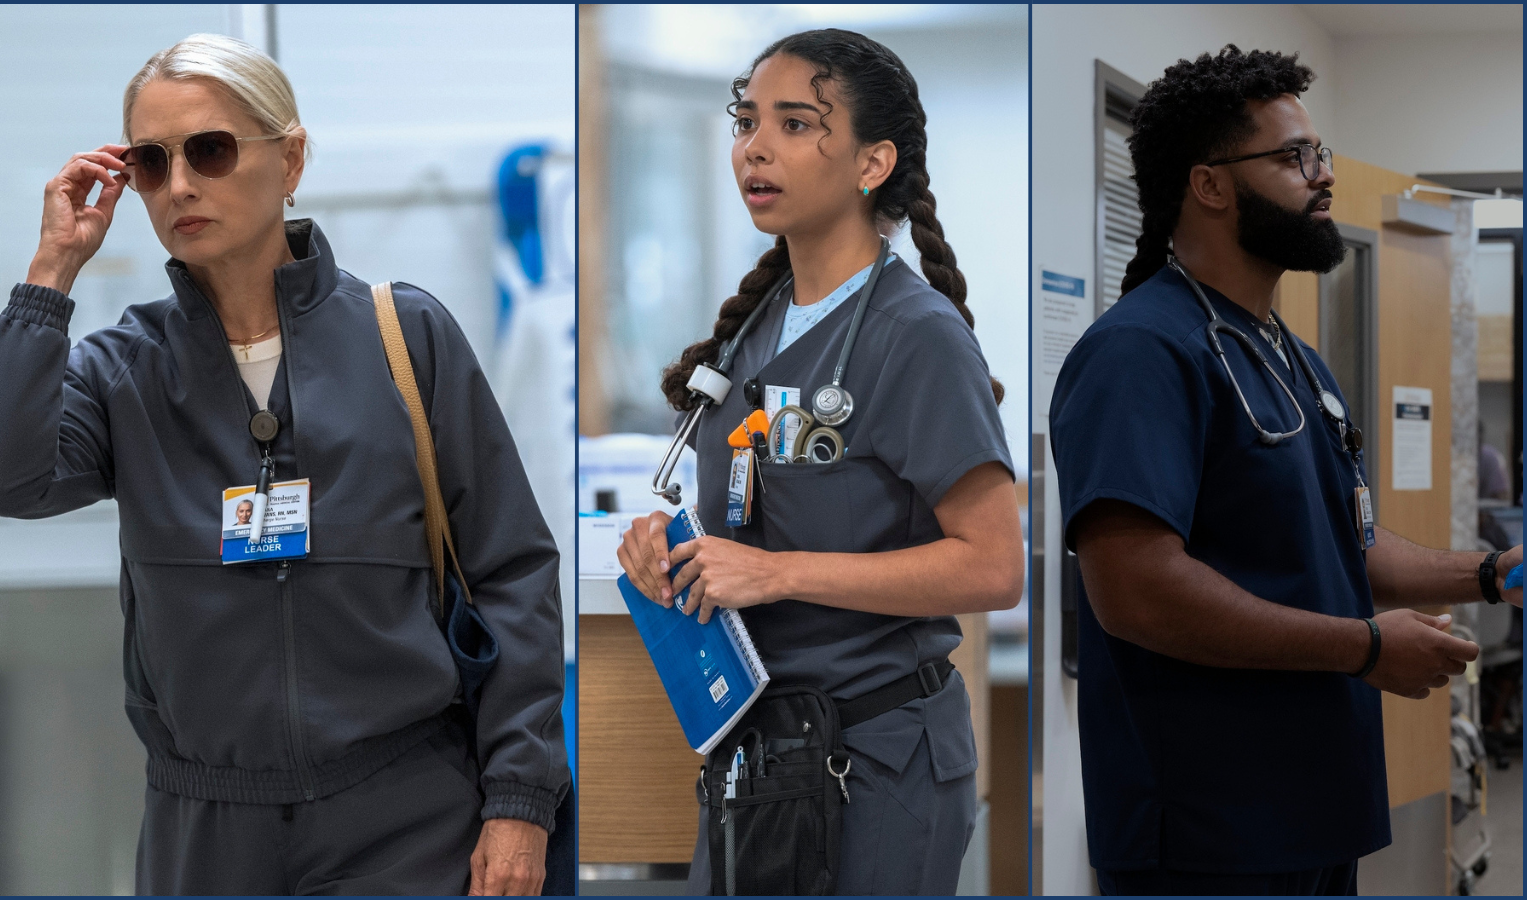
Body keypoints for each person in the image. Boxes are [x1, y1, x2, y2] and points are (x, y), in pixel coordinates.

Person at [0, 34, 568, 896]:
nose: (180, 185)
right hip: (205, 829)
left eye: (208, 149)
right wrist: (52, 271)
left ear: (290, 158)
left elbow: (513, 574)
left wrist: (519, 800)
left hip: (408, 818)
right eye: (151, 162)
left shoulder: (407, 337)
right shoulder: (120, 368)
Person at [1049, 45, 1524, 896]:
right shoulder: (1139, 354)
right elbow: (1136, 591)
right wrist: (1364, 648)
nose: (1322, 176)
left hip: (1310, 804)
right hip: (1208, 826)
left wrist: (1490, 574)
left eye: (1323, 155)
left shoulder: (1288, 356)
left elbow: (1346, 548)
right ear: (1210, 185)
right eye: (1294, 157)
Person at [616, 29, 1025, 896]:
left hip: (874, 764)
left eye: (796, 125)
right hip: (757, 749)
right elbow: (752, 508)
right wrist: (666, 542)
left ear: (873, 162)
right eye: (747, 120)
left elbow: (993, 567)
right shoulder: (754, 331)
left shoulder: (915, 336)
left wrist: (774, 574)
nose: (755, 147)